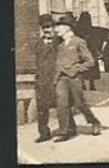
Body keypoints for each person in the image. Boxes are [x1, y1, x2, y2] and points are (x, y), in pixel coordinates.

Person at [52, 15, 104, 140]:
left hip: (74, 77)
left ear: (67, 28)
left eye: (59, 26)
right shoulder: (60, 44)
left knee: (79, 104)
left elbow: (90, 61)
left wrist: (76, 69)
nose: (56, 29)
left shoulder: (78, 42)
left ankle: (94, 122)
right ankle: (65, 131)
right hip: (61, 78)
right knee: (62, 104)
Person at [32, 14, 61, 143]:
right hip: (42, 81)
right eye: (44, 27)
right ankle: (44, 133)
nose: (46, 30)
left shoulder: (60, 42)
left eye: (49, 27)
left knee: (63, 106)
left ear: (54, 27)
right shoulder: (38, 44)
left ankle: (69, 128)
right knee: (42, 108)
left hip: (57, 79)